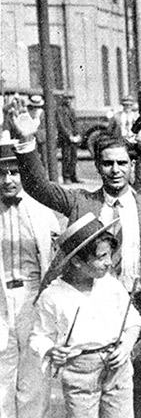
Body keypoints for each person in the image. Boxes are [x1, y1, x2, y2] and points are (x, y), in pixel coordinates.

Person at [9, 113, 141, 415]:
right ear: (97, 166)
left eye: (122, 163)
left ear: (132, 165)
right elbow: (39, 186)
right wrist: (27, 141)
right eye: (107, 163)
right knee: (95, 395)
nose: (115, 170)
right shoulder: (81, 202)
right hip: (96, 311)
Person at [30, 212, 141, 418]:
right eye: (101, 257)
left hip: (116, 366)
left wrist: (126, 347)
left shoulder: (110, 284)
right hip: (79, 371)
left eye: (110, 254)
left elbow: (133, 321)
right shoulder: (53, 295)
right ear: (76, 262)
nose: (109, 262)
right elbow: (39, 336)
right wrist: (50, 350)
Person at [0, 140, 59, 418]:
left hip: (32, 297)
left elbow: (55, 261)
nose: (8, 179)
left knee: (34, 377)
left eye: (14, 171)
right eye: (1, 173)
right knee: (2, 377)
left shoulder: (42, 210)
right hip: (1, 303)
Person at [56, 95, 82, 184]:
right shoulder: (60, 110)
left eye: (70, 99)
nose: (69, 100)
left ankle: (73, 175)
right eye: (67, 98)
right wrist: (69, 135)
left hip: (73, 136)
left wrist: (77, 134)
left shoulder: (71, 110)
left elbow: (75, 123)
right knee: (66, 157)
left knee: (74, 157)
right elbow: (61, 125)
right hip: (65, 137)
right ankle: (66, 176)